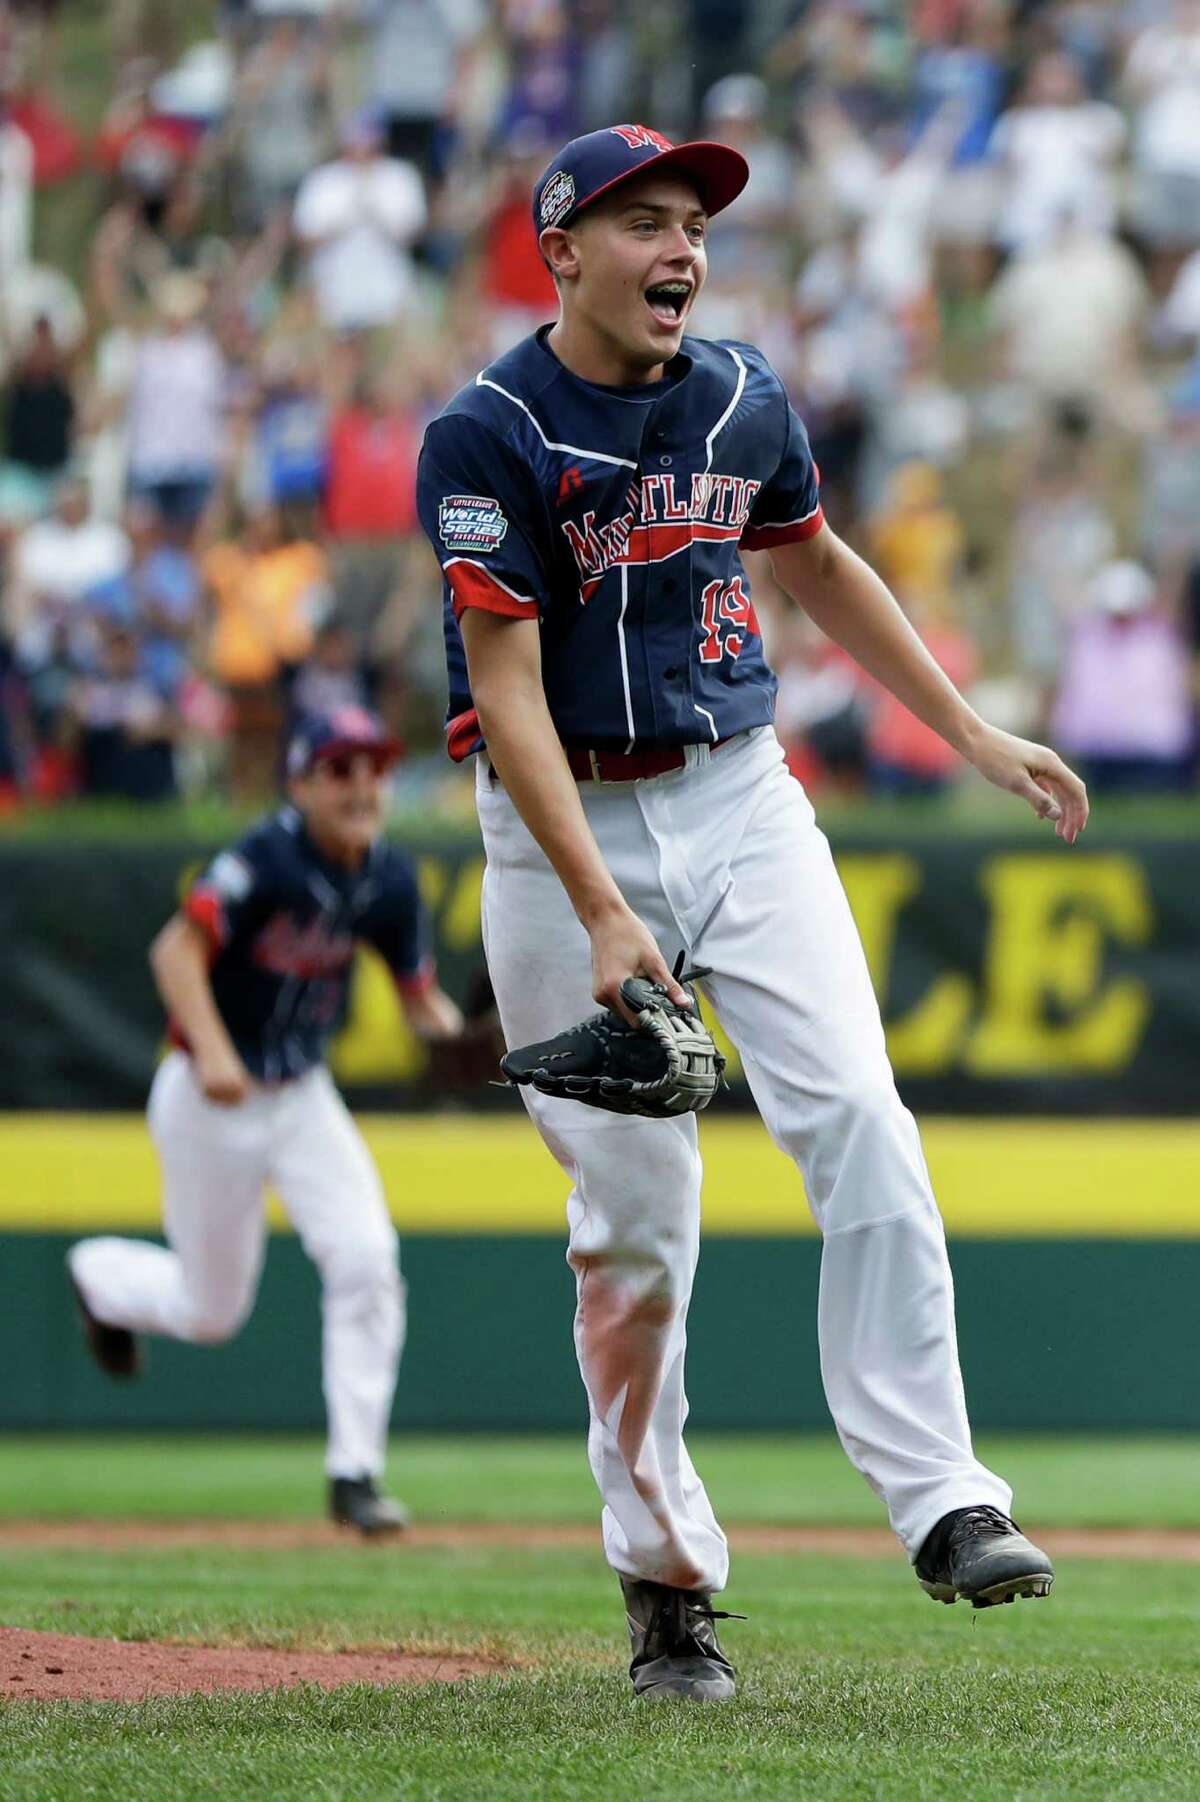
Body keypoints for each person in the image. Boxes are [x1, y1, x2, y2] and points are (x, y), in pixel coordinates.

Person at [416, 124, 1090, 1699]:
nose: (683, 249)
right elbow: (502, 686)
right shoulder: (489, 430)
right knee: (635, 1234)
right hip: (556, 822)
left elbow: (820, 561)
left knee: (862, 1108)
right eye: (644, 220)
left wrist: (969, 729)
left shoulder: (742, 394)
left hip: (738, 790)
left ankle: (944, 1497)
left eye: (697, 224)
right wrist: (596, 906)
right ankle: (665, 1588)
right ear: (561, 247)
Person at [67, 708, 464, 1535]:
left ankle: (354, 1476)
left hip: (301, 1094)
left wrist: (470, 1040)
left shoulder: (390, 880)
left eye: (375, 768)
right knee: (212, 1313)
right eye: (340, 768)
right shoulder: (265, 857)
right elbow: (174, 952)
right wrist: (212, 1051)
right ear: (301, 782)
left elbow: (418, 998)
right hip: (209, 1094)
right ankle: (100, 1279)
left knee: (366, 1259)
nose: (362, 784)